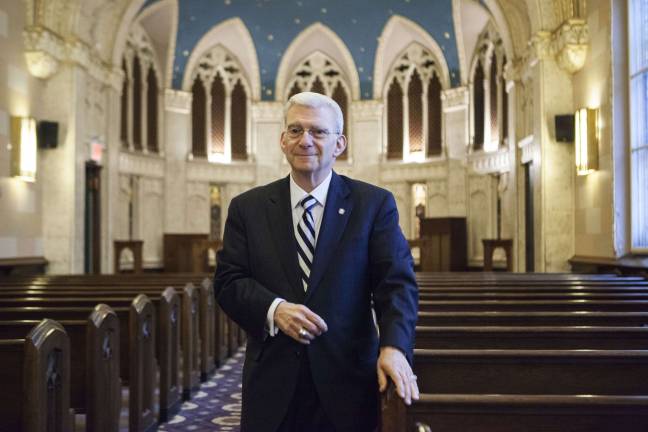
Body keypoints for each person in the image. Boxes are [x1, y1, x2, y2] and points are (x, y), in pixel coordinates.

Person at [214, 92, 419, 432]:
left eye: (317, 132)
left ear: (339, 144)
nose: (305, 140)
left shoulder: (373, 205)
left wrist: (395, 347)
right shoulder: (247, 208)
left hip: (348, 380)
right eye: (295, 130)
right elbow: (228, 281)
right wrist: (274, 309)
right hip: (272, 383)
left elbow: (396, 285)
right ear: (282, 141)